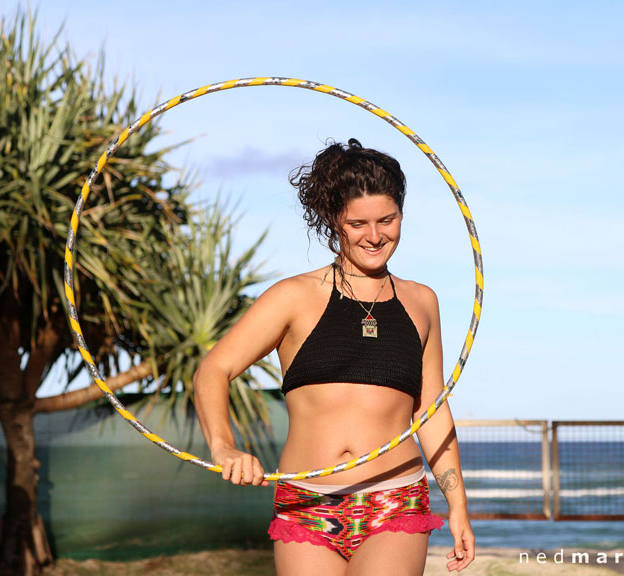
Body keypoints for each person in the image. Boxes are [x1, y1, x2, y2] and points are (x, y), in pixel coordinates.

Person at [194, 138, 475, 575]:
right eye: (358, 223)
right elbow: (214, 369)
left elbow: (433, 410)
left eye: (388, 219)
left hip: (395, 501)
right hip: (306, 502)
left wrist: (457, 504)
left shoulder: (422, 302)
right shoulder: (293, 297)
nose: (376, 235)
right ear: (333, 220)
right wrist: (224, 447)